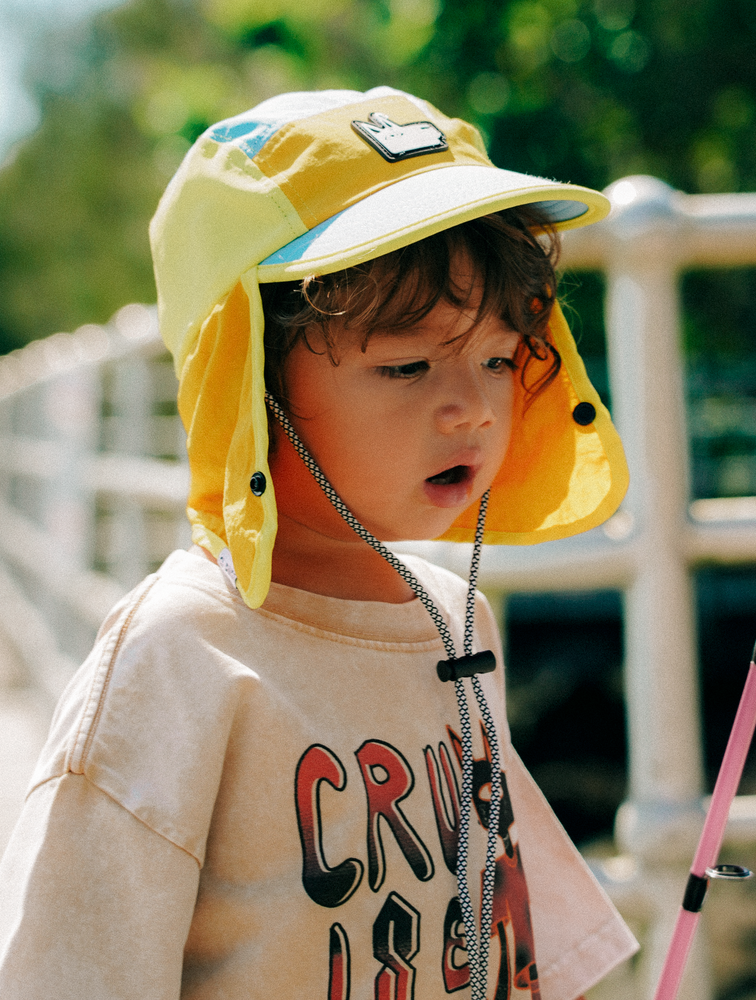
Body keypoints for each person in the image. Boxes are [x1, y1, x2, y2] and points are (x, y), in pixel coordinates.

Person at [0, 86, 636, 999]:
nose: (472, 408)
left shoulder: (455, 620)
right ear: (247, 379)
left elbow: (513, 940)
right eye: (407, 364)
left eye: (500, 357)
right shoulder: (179, 658)